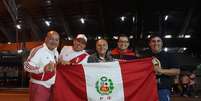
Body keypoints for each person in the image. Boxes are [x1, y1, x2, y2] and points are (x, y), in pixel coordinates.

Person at [141, 34, 180, 101]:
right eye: (153, 41)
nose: (156, 43)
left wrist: (161, 71)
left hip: (162, 89)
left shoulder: (169, 56)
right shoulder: (144, 56)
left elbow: (176, 71)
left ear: (162, 43)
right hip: (146, 88)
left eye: (158, 41)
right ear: (150, 44)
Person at [24, 31, 60, 101]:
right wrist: (43, 69)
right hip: (39, 86)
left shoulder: (56, 52)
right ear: (46, 39)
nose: (54, 42)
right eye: (51, 39)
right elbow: (27, 66)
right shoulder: (39, 50)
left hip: (51, 87)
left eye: (56, 40)